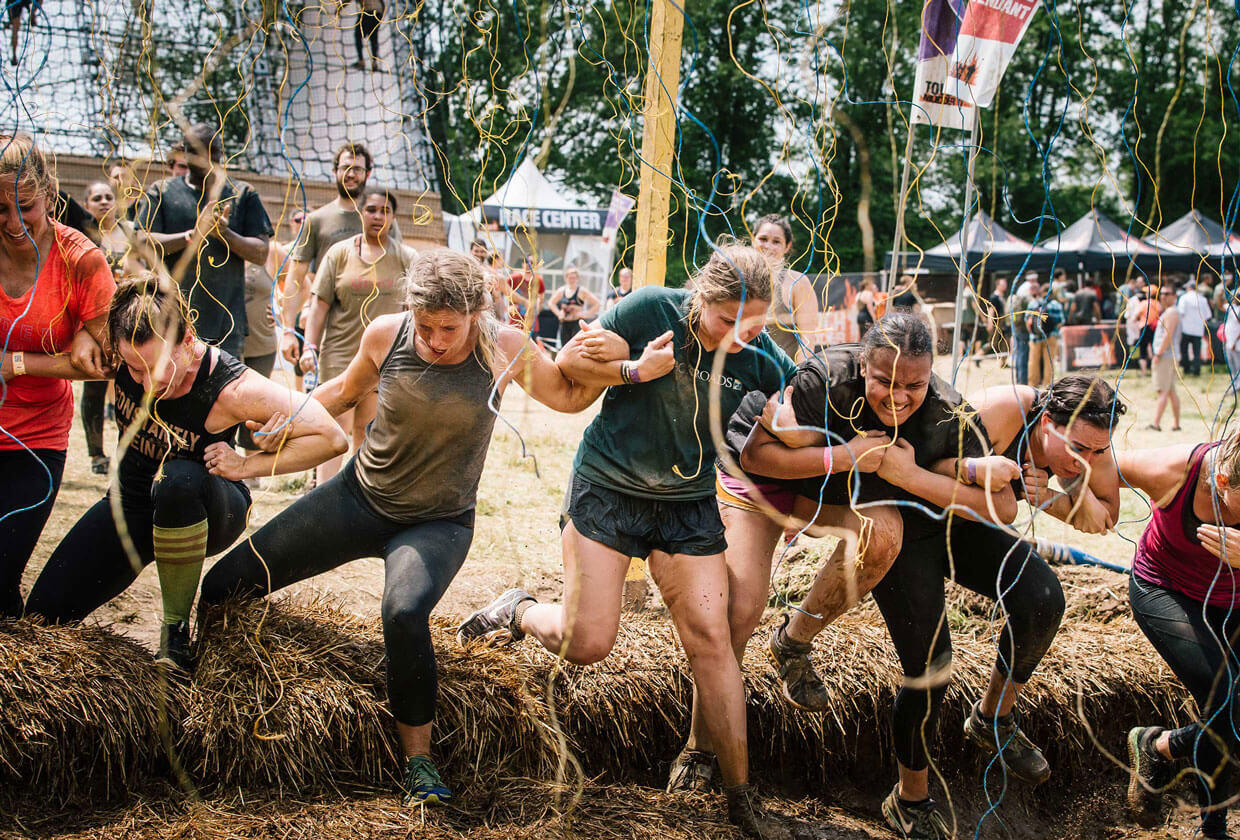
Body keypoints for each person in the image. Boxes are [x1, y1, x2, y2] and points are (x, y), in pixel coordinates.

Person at [199, 249, 609, 806]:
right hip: (357, 498)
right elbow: (342, 393)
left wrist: (614, 364)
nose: (436, 340)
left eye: (449, 328)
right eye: (426, 326)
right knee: (223, 584)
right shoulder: (386, 335)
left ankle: (419, 762)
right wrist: (284, 421)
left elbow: (568, 396)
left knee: (404, 612)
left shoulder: (503, 346)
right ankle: (196, 700)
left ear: (475, 314)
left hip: (437, 522)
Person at [458, 243, 796, 837]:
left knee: (713, 639)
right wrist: (636, 367)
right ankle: (520, 610)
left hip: (686, 505)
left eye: (753, 326)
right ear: (700, 299)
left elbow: (808, 415)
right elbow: (569, 365)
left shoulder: (766, 360)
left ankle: (742, 799)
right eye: (727, 321)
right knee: (588, 641)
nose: (740, 337)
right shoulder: (650, 309)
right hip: (608, 487)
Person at [680, 315, 1007, 788]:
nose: (898, 397)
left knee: (885, 532)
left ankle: (792, 643)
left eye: (913, 385)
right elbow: (754, 455)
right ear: (863, 364)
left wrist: (955, 472)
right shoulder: (823, 379)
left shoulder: (945, 411)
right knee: (739, 612)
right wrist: (847, 456)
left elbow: (1002, 506)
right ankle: (699, 748)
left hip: (828, 491)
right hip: (764, 482)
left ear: (930, 375)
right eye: (884, 382)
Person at [24, 275, 346, 669]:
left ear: (187, 341)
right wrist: (16, 363)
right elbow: (71, 361)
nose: (147, 383)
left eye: (158, 368)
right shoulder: (122, 351)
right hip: (133, 505)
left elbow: (332, 437)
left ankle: (174, 634)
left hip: (208, 507)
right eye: (135, 369)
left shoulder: (232, 388)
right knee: (41, 615)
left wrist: (248, 465)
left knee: (177, 478)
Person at [0, 134, 116, 619]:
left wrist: (16, 363)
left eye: (24, 207)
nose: (12, 223)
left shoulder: (80, 259)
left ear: (49, 193)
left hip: (34, 438)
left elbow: (107, 361)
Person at [1118, 432, 1240, 840]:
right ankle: (1214, 831)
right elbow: (1095, 465)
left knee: (1230, 711)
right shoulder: (1176, 470)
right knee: (1224, 700)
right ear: (1222, 482)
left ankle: (1159, 747)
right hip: (1167, 589)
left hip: (1234, 599)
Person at [299, 185, 416, 483]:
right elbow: (319, 306)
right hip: (340, 356)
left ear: (393, 217)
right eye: (371, 210)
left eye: (385, 211)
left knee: (369, 430)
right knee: (335, 429)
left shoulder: (406, 257)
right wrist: (309, 347)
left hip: (385, 360)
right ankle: (322, 494)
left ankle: (357, 494)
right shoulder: (339, 254)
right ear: (360, 213)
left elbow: (416, 311)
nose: (378, 217)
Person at [135, 123, 273, 359]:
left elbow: (260, 253)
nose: (206, 159)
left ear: (221, 153)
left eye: (213, 151)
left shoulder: (241, 193)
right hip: (171, 323)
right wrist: (191, 236)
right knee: (172, 381)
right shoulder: (162, 192)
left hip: (226, 326)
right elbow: (143, 242)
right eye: (197, 152)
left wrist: (225, 234)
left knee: (223, 382)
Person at [279, 142, 402, 364]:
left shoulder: (383, 220)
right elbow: (295, 277)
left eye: (358, 169)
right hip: (334, 335)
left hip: (380, 333)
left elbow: (402, 273)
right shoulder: (316, 220)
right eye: (346, 167)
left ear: (368, 173)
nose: (351, 174)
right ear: (335, 170)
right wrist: (288, 331)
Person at [80, 180, 143, 476]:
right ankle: (96, 454)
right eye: (97, 198)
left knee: (130, 386)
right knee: (94, 385)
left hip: (127, 317)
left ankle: (129, 453)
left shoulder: (129, 231)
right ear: (86, 205)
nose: (104, 201)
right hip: (93, 319)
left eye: (108, 197)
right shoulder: (82, 234)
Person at [753, 214, 819, 361]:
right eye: (763, 239)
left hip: (782, 373)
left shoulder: (797, 283)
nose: (768, 246)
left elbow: (807, 341)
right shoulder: (738, 278)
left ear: (787, 246)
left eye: (776, 241)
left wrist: (800, 374)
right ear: (753, 240)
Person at [1150, 284, 1182, 431]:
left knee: (1162, 391)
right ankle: (1176, 424)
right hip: (1169, 356)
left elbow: (1167, 336)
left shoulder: (1171, 313)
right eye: (1161, 293)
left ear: (1174, 296)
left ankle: (1156, 424)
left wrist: (1158, 353)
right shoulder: (1170, 312)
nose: (1163, 296)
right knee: (1170, 391)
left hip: (1166, 356)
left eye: (1167, 293)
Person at [547, 266, 599, 347]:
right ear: (566, 278)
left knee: (576, 346)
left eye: (574, 278)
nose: (572, 280)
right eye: (570, 278)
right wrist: (559, 313)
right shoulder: (562, 291)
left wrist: (586, 314)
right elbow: (551, 303)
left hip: (576, 323)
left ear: (577, 278)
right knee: (565, 347)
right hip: (564, 323)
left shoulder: (581, 291)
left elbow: (597, 303)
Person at [1027, 279, 1064, 389]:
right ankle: (1047, 385)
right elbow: (1061, 322)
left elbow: (1027, 320)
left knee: (1033, 362)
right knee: (1049, 361)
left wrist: (1032, 332)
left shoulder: (1033, 303)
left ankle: (1032, 385)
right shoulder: (1056, 305)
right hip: (1051, 337)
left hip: (1035, 337)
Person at [1177, 279, 1212, 376]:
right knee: (1197, 352)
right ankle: (1197, 370)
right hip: (1198, 329)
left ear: (1189, 287)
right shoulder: (1203, 299)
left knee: (1184, 351)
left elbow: (1180, 313)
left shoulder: (1184, 298)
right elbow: (1208, 315)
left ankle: (1186, 369)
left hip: (1185, 328)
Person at [506, 256, 545, 331]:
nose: (528, 264)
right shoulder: (514, 278)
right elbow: (502, 289)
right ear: (522, 264)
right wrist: (507, 307)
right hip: (516, 321)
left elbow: (541, 298)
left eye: (532, 262)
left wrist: (537, 311)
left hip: (531, 322)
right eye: (526, 262)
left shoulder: (538, 280)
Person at [1009, 276, 1036, 384]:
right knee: (1023, 355)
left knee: (1019, 354)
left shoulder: (1017, 296)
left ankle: (1018, 379)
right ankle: (1023, 380)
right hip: (1024, 329)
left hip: (1017, 327)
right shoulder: (1027, 299)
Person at [353, 0, 384, 71]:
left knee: (358, 35)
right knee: (373, 37)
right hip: (378, 12)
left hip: (368, 11)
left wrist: (340, 8)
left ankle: (361, 61)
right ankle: (375, 63)